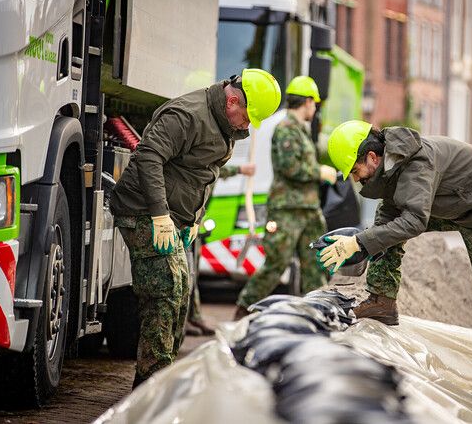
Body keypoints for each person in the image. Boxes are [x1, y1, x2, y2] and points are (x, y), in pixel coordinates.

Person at [319, 121, 472, 424]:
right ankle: (383, 300)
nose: (356, 181)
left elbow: (414, 221)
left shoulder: (416, 163)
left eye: (355, 171)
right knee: (386, 230)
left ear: (371, 157)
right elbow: (389, 217)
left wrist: (360, 241)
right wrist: (363, 247)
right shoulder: (391, 166)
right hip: (453, 204)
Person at [110, 69, 281, 387]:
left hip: (176, 218)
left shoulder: (224, 123)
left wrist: (195, 218)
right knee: (165, 293)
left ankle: (164, 376)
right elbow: (149, 156)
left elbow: (204, 173)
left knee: (181, 294)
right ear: (232, 100)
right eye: (247, 116)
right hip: (143, 211)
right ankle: (152, 384)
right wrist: (160, 215)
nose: (247, 124)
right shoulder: (187, 114)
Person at [234, 76, 337, 319]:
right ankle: (242, 311)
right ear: (308, 102)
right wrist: (319, 171)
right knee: (276, 265)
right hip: (287, 210)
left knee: (314, 266)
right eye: (315, 103)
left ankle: (316, 315)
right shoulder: (287, 129)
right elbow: (289, 167)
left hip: (307, 210)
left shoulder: (300, 130)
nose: (315, 108)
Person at [186, 163, 256, 336]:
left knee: (192, 271)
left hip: (196, 216)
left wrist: (240, 170)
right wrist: (240, 169)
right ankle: (185, 319)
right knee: (187, 270)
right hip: (186, 214)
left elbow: (218, 169)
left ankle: (193, 316)